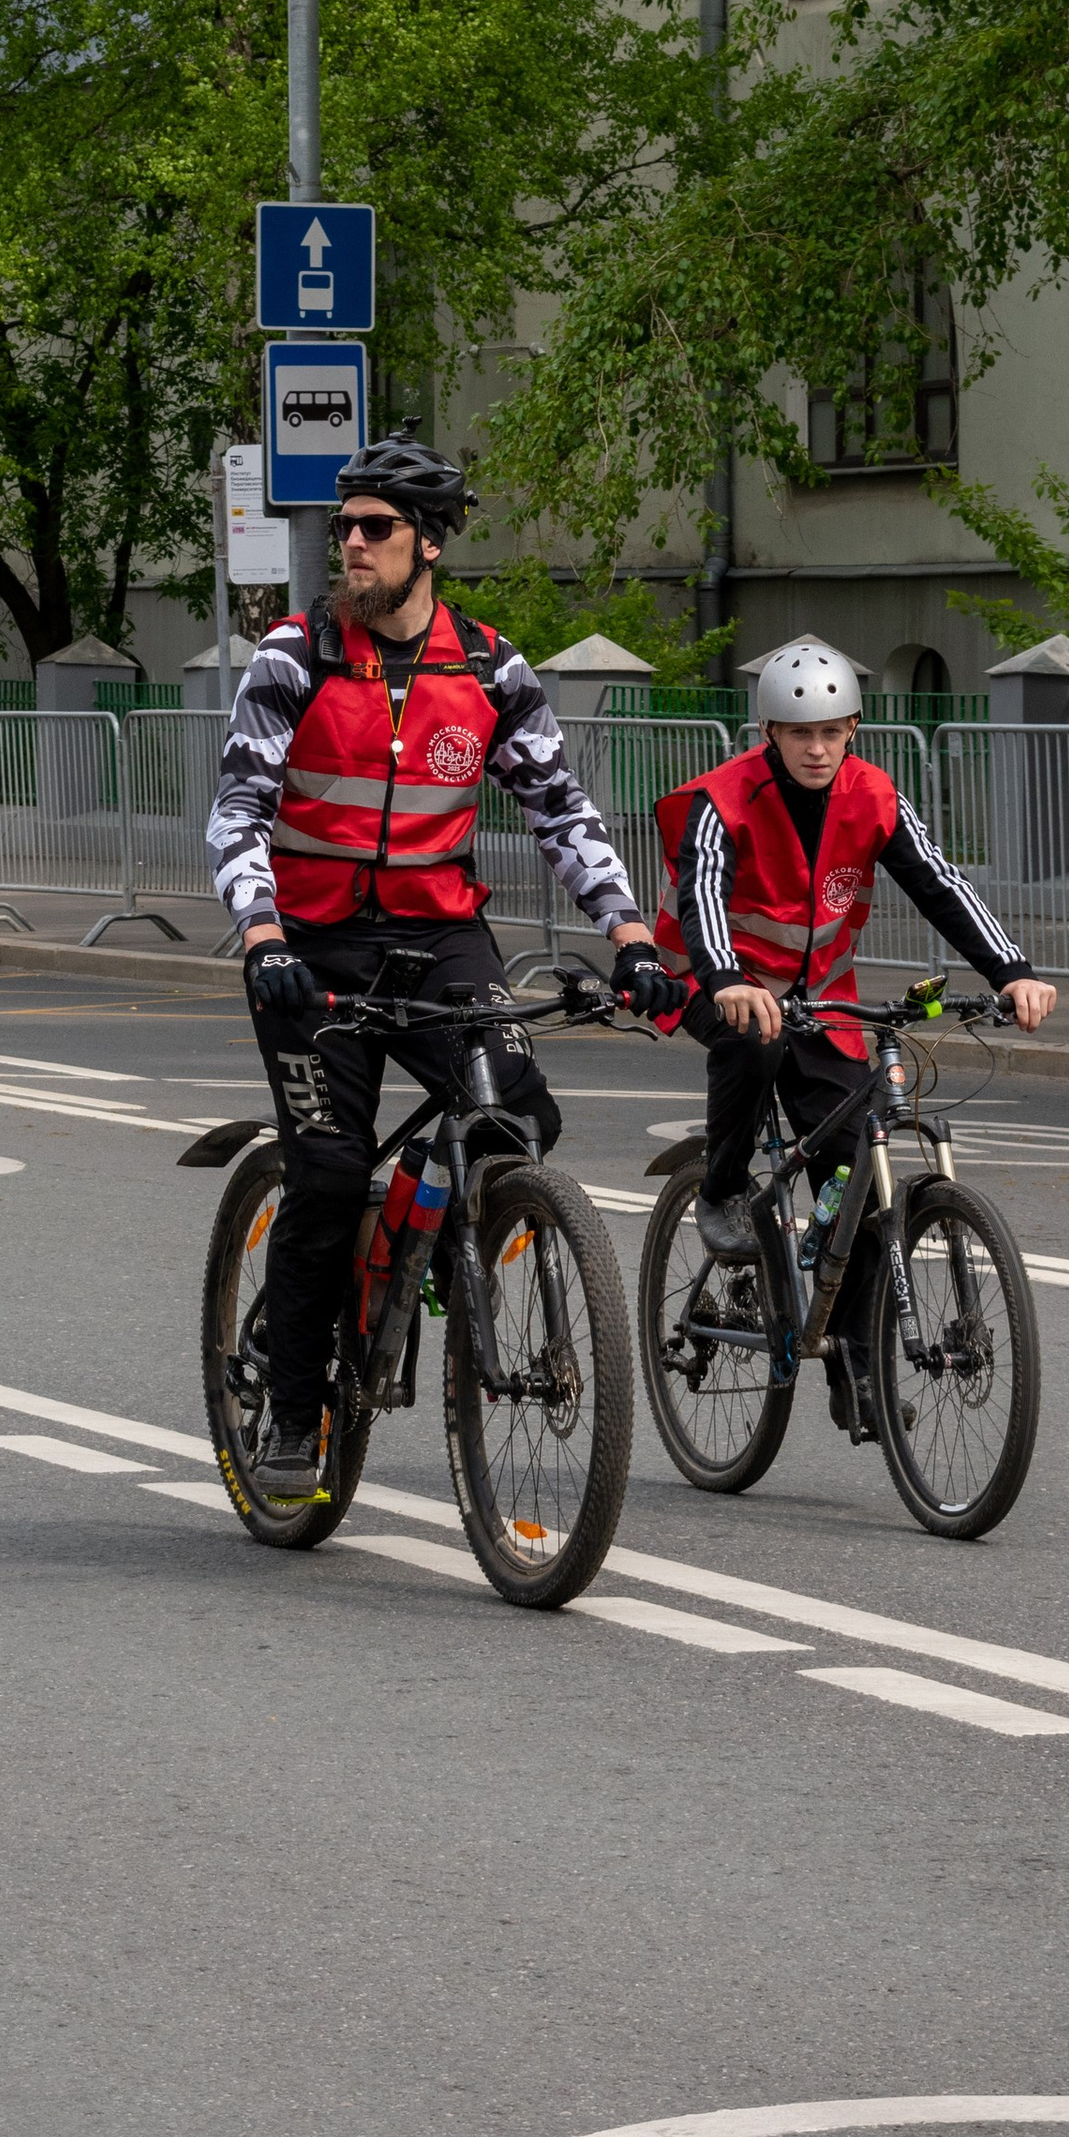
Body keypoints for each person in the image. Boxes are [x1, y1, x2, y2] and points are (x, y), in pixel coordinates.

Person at [205, 432, 672, 1500]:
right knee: (327, 1172)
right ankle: (293, 1408)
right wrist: (262, 935)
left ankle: (422, 1237)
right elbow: (238, 812)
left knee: (517, 1118)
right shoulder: (295, 657)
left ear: (429, 544)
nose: (351, 544)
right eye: (345, 527)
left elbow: (561, 811)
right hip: (309, 946)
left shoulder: (491, 670)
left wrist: (629, 934)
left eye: (376, 528)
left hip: (438, 936)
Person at [651, 635, 1055, 1325]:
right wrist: (725, 980)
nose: (817, 749)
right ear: (769, 731)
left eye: (831, 733)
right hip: (713, 979)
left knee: (855, 1180)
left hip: (819, 1002)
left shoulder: (873, 794)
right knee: (754, 1041)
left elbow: (941, 885)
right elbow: (703, 899)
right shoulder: (723, 798)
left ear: (854, 730)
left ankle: (856, 1366)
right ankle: (722, 1189)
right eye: (799, 734)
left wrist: (1012, 972)